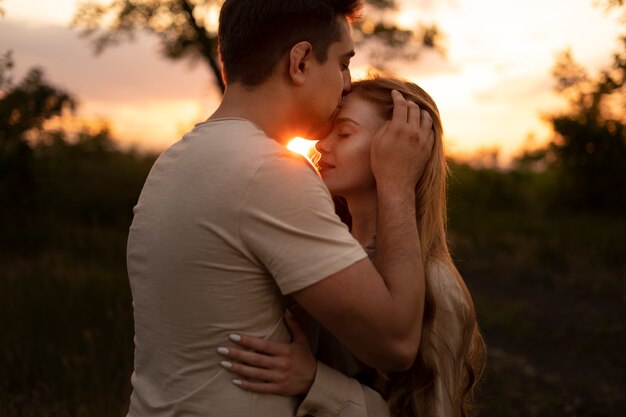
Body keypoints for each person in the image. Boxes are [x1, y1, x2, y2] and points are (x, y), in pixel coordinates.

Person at [125, 1, 435, 416]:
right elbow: (396, 343)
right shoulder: (268, 172)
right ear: (301, 61)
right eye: (344, 64)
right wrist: (396, 183)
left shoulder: (174, 162)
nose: (347, 85)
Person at [217, 76, 487, 417]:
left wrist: (316, 382)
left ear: (400, 148)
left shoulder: (437, 284)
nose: (320, 146)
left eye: (343, 133)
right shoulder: (326, 254)